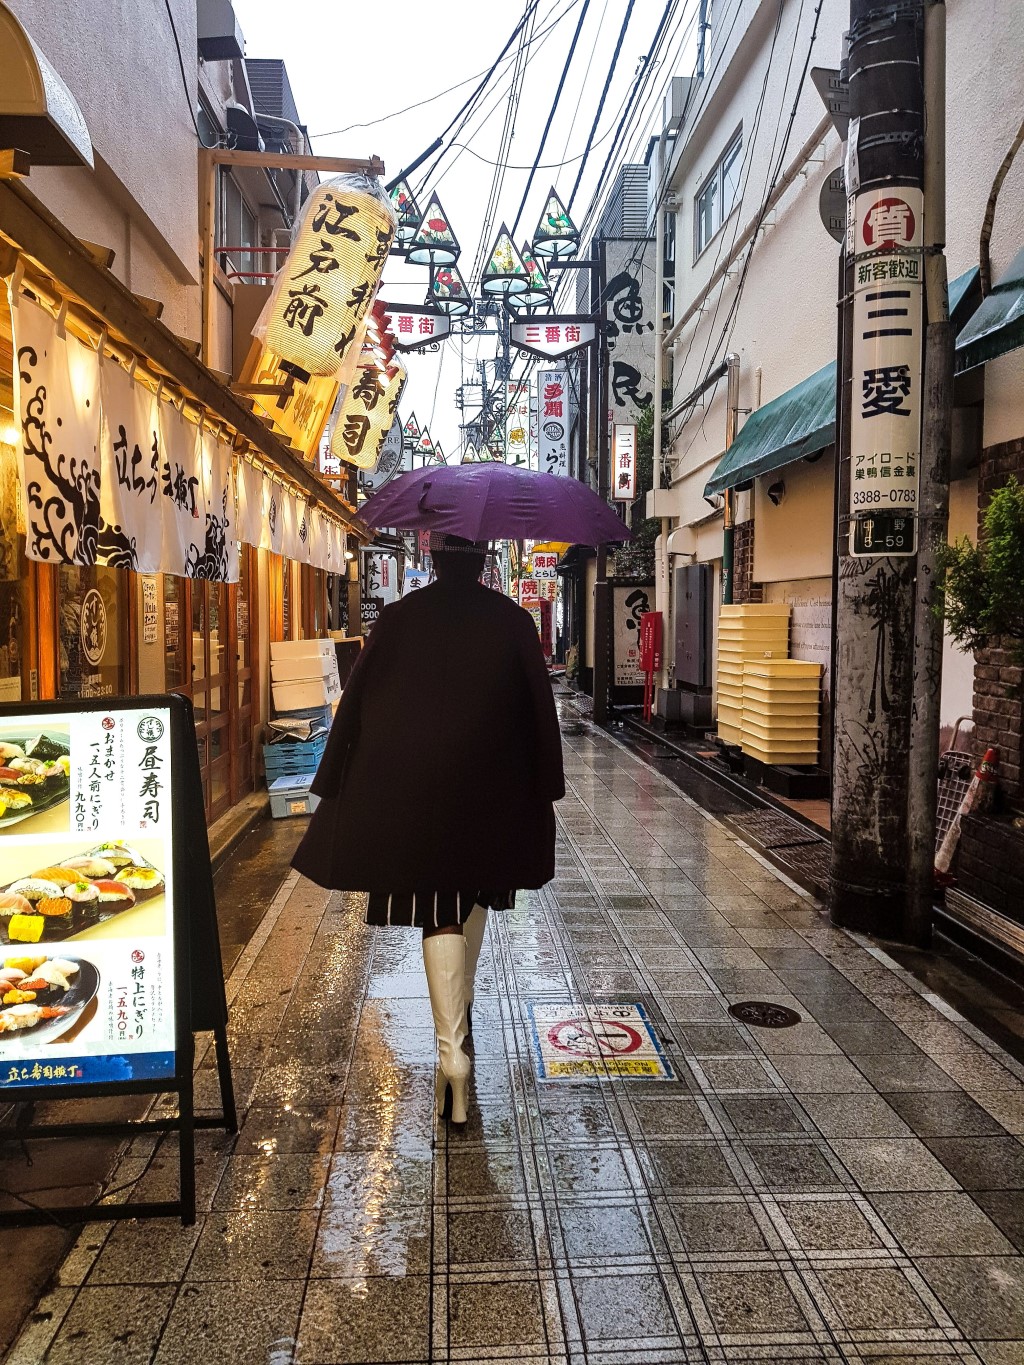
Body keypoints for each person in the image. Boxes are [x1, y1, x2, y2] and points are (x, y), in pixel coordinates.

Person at [293, 533, 565, 1124]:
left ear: (435, 560)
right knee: (477, 889)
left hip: (414, 794)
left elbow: (360, 701)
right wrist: (546, 785)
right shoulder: (513, 621)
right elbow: (541, 711)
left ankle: (451, 1056)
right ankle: (459, 1039)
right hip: (493, 792)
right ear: (486, 559)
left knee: (436, 906)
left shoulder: (397, 619)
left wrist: (339, 774)